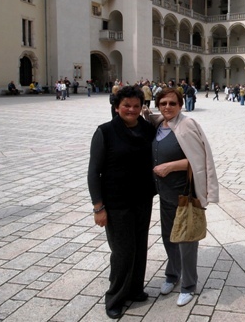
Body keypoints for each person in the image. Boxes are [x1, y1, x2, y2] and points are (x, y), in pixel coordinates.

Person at [87, 86, 156, 319]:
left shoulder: (147, 129)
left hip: (142, 199)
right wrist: (98, 207)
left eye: (136, 106)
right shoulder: (105, 132)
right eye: (126, 105)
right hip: (116, 203)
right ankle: (115, 297)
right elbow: (93, 172)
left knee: (139, 247)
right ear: (117, 107)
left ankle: (135, 288)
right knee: (123, 251)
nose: (132, 110)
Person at [146, 88, 219, 307]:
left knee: (186, 241)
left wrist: (170, 166)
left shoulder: (187, 126)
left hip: (183, 194)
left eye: (172, 103)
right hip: (165, 194)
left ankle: (188, 285)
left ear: (180, 105)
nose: (167, 107)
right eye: (163, 103)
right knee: (169, 236)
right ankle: (173, 274)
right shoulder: (159, 125)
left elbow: (199, 159)